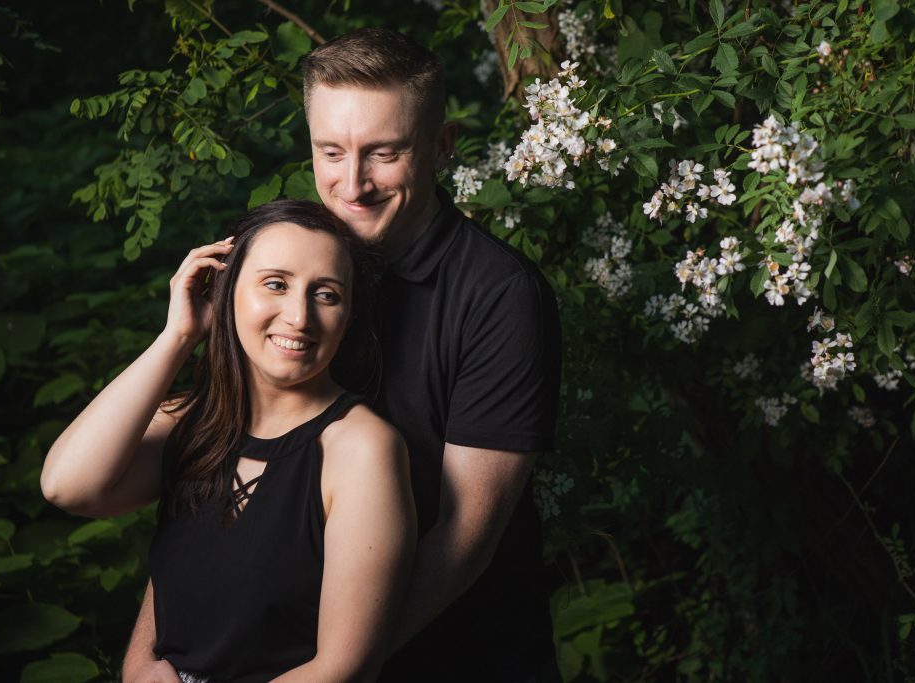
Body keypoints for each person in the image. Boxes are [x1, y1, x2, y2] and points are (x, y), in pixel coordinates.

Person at [124, 27, 563, 683]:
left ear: (441, 148)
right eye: (332, 151)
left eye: (383, 153)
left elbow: (466, 535)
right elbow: (210, 469)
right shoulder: (286, 271)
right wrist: (148, 654)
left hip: (452, 659)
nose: (351, 184)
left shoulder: (500, 296)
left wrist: (325, 665)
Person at [41, 200, 416, 682]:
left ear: (347, 317)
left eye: (326, 294)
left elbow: (343, 667)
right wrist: (179, 335)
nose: (299, 317)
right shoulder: (190, 421)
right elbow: (67, 486)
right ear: (225, 291)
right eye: (275, 284)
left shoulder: (361, 449)